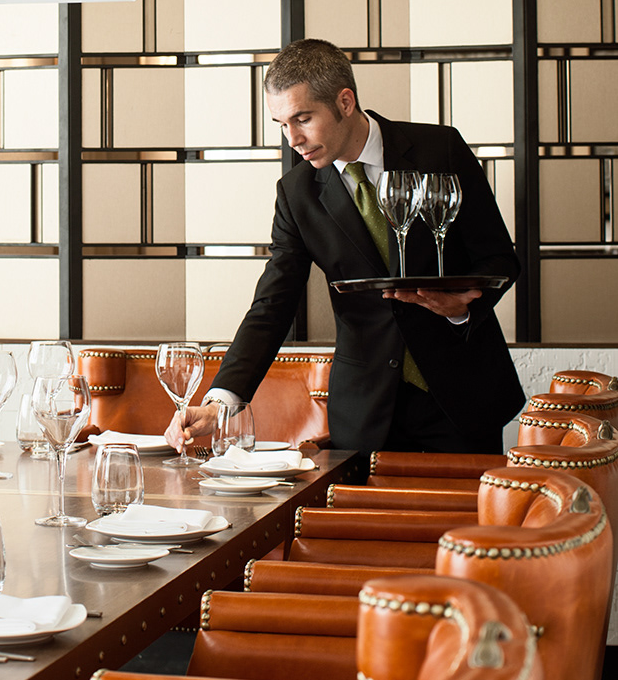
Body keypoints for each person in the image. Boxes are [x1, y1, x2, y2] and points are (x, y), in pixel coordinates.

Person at [168, 39, 524, 455]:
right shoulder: (296, 193)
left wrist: (464, 310)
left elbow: (500, 257)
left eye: (303, 118)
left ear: (345, 101)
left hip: (461, 395)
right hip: (365, 411)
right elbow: (272, 305)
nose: (293, 139)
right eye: (281, 124)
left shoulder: (439, 150)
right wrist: (221, 402)